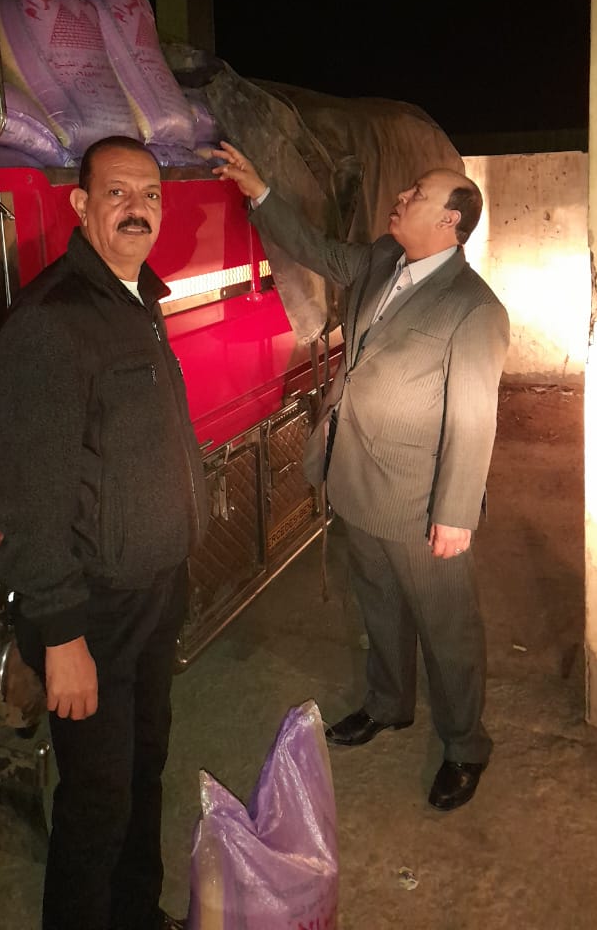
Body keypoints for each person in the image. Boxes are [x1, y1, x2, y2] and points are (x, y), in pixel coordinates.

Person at [214, 141, 509, 813]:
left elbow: (473, 418)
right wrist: (259, 192)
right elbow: (317, 250)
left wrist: (455, 513)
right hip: (356, 477)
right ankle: (388, 703)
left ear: (451, 220)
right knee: (378, 604)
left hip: (420, 500)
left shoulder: (473, 308)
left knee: (447, 628)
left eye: (416, 194)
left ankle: (465, 745)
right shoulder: (381, 258)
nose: (400, 198)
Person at [0, 136, 208, 930]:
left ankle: (136, 914)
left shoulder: (138, 301)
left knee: (145, 769)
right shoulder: (52, 323)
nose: (136, 208)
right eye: (117, 193)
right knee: (97, 801)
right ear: (80, 205)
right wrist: (62, 635)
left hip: (154, 593)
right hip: (96, 612)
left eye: (149, 194)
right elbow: (26, 502)